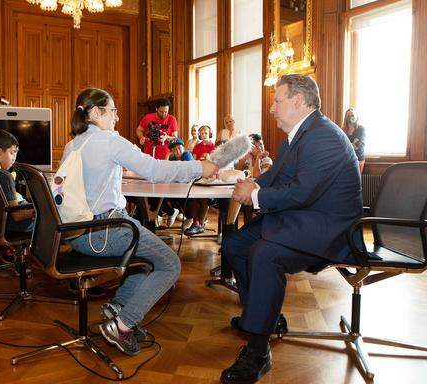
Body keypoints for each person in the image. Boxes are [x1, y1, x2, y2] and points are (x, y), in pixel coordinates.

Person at [219, 74, 362, 384]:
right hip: (303, 217)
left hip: (328, 229)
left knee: (264, 253)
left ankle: (258, 351)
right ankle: (266, 314)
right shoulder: (300, 134)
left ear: (298, 102)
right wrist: (254, 184)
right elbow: (278, 178)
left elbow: (301, 192)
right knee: (234, 246)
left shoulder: (323, 136)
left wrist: (253, 195)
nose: (272, 108)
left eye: (277, 101)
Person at [63, 88, 217, 356]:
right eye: (113, 111)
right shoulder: (109, 141)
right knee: (169, 264)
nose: (117, 118)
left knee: (148, 255)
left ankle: (117, 309)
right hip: (103, 230)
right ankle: (121, 326)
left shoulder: (73, 143)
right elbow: (155, 170)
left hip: (77, 231)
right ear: (96, 113)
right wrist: (199, 168)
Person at [0, 129, 35, 233]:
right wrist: (38, 211)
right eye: (12, 153)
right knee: (50, 221)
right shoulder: (5, 177)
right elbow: (17, 215)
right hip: (12, 226)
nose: (14, 158)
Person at [342, 107, 366, 173]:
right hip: (346, 160)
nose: (350, 117)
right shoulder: (342, 130)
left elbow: (359, 146)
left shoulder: (361, 129)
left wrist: (348, 145)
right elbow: (341, 147)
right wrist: (353, 144)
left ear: (356, 116)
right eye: (348, 116)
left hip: (359, 160)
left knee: (356, 181)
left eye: (352, 115)